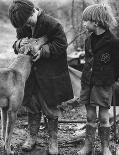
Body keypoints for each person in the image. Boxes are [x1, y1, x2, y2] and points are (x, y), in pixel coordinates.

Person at [8, 0, 73, 154]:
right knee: (32, 105)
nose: (26, 25)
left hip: (50, 76)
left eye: (27, 21)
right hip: (31, 75)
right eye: (23, 24)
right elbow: (18, 47)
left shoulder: (52, 24)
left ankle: (53, 139)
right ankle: (32, 136)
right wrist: (19, 44)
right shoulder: (23, 24)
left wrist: (43, 51)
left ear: (33, 11)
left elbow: (61, 44)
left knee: (50, 108)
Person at [78, 3, 119, 155]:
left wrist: (110, 79)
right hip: (87, 84)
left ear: (96, 22)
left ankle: (105, 147)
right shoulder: (88, 41)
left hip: (103, 85)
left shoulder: (113, 42)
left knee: (104, 117)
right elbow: (88, 61)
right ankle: (88, 146)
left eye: (86, 21)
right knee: (90, 116)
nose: (84, 24)